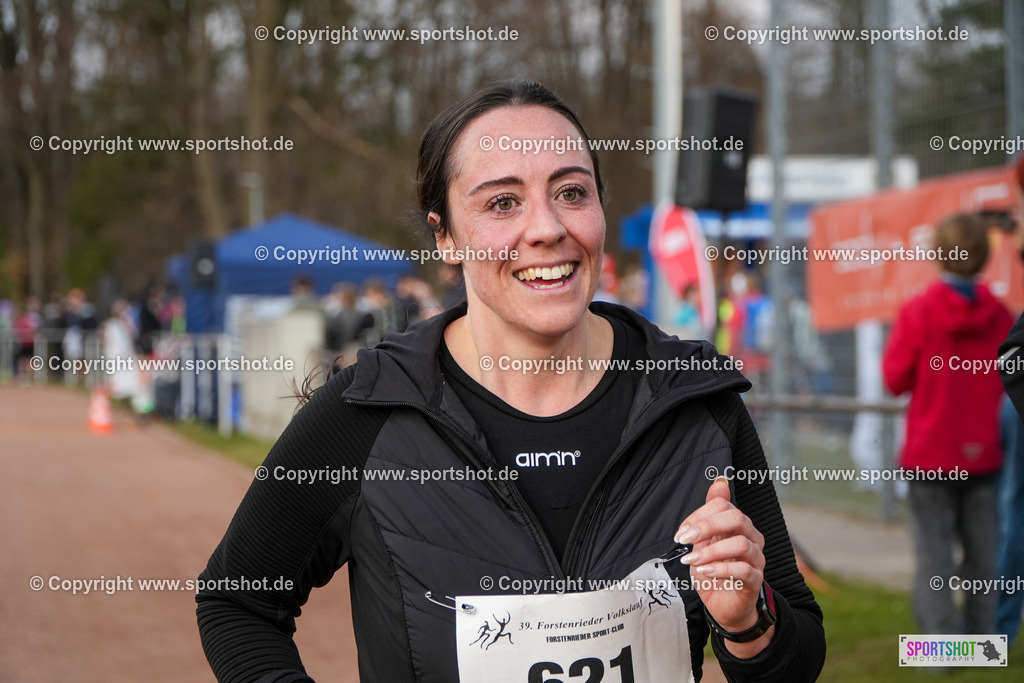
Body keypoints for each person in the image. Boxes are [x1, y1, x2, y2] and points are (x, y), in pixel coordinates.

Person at [196, 79, 824, 681]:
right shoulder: (369, 411)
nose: (548, 228)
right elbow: (236, 604)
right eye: (503, 202)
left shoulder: (694, 401)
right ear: (446, 235)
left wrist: (748, 621)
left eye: (572, 192)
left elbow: (795, 657)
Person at [883, 213, 1013, 636]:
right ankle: (984, 643)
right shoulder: (1002, 317)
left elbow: (894, 379)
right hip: (985, 454)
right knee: (984, 557)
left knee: (933, 557)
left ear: (938, 253)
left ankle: (940, 648)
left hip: (930, 455)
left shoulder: (919, 311)